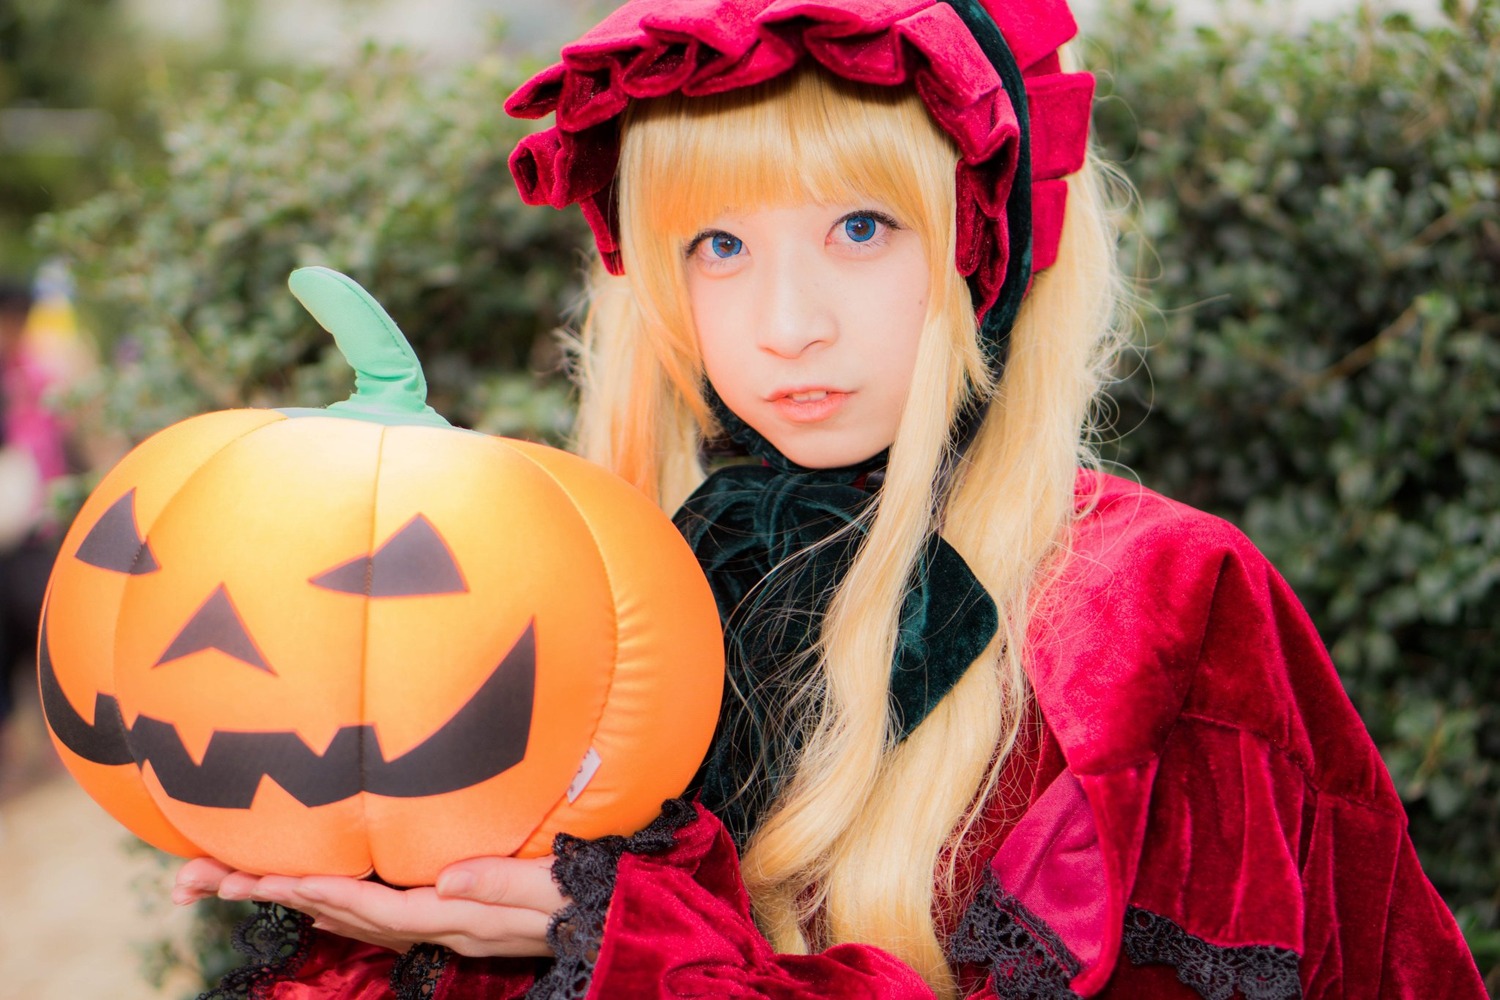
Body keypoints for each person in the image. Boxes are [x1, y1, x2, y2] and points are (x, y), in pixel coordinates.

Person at [172, 0, 1488, 996]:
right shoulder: (600, 595)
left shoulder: (1145, 612)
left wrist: (609, 931)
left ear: (981, 246)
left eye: (862, 227)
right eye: (719, 246)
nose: (788, 326)